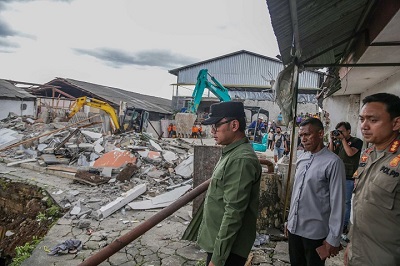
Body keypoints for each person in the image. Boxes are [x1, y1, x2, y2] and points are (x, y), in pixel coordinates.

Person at [197, 101, 262, 266]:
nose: (212, 131)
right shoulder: (231, 152)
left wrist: (217, 260)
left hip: (227, 251)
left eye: (217, 125)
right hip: (220, 244)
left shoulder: (241, 159)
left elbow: (234, 212)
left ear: (234, 125)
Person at [345, 93, 400, 266]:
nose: (364, 126)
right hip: (359, 254)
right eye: (362, 119)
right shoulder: (368, 154)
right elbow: (361, 204)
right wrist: (351, 246)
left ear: (396, 123)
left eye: (373, 120)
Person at [286, 118, 346, 266]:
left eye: (307, 134)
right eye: (301, 136)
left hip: (315, 233)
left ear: (320, 133)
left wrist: (333, 237)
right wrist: (289, 220)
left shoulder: (333, 162)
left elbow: (338, 202)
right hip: (294, 229)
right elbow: (296, 194)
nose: (303, 139)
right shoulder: (302, 158)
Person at [328, 121, 363, 237]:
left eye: (342, 131)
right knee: (332, 200)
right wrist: (332, 140)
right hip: (336, 174)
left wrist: (343, 140)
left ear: (349, 131)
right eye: (338, 131)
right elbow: (330, 153)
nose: (340, 133)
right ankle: (332, 224)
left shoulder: (357, 142)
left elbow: (350, 153)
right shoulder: (338, 141)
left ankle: (343, 227)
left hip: (349, 177)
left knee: (346, 203)